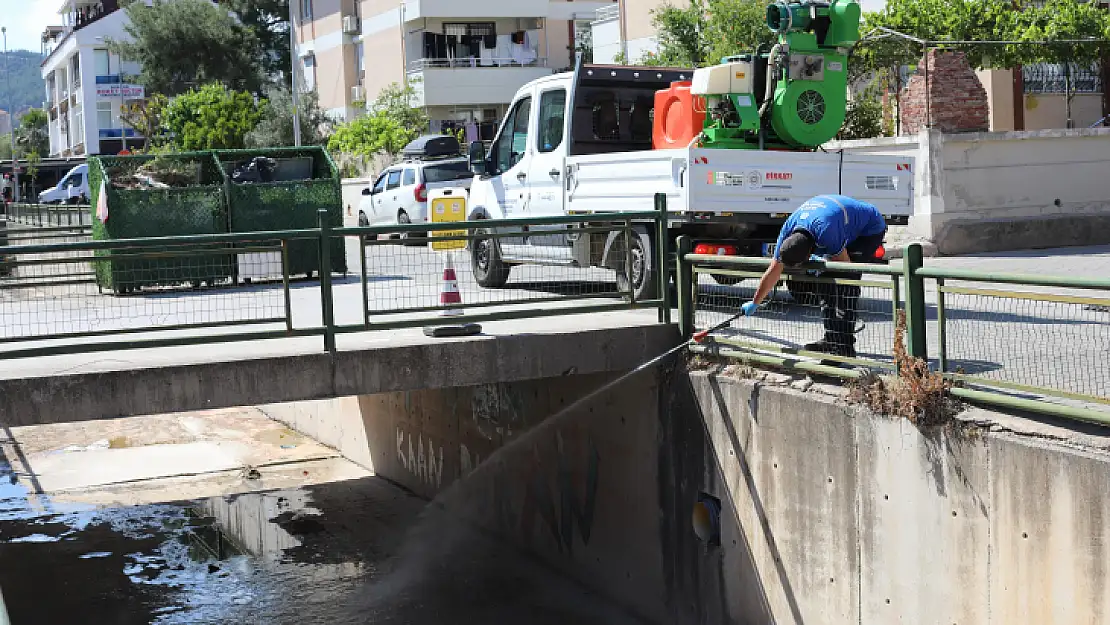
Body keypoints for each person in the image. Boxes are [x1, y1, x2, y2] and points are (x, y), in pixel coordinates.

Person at [742, 194, 888, 358]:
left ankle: (843, 348)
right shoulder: (787, 231)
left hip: (868, 230)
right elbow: (773, 271)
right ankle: (831, 339)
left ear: (807, 255)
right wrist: (755, 302)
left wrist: (823, 261)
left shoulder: (827, 232)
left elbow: (846, 267)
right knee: (825, 284)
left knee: (845, 286)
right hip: (836, 222)